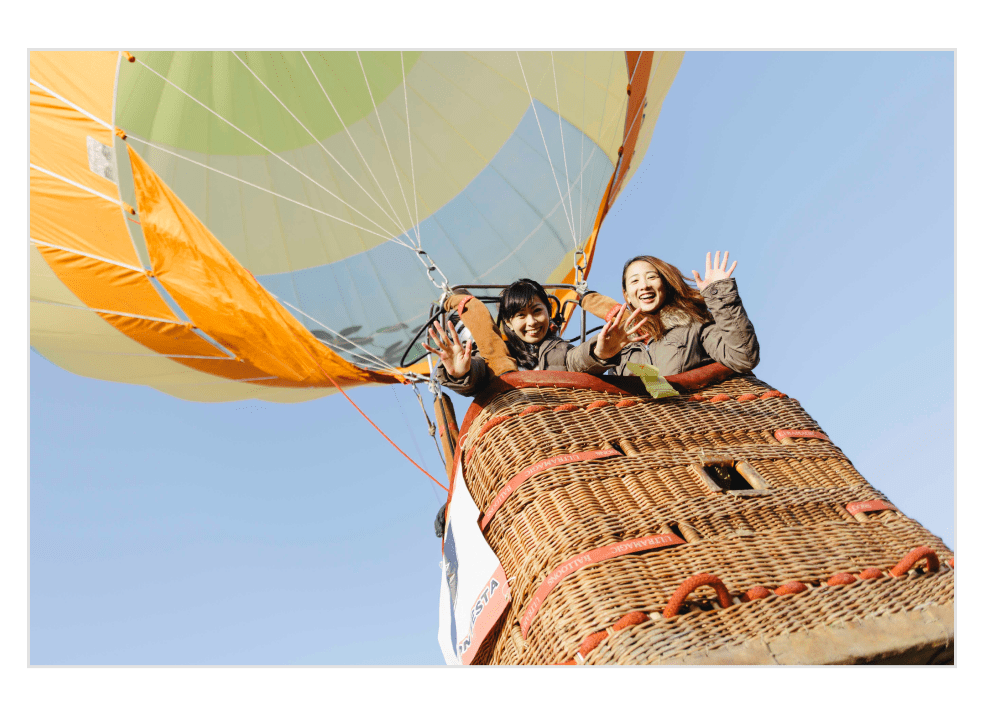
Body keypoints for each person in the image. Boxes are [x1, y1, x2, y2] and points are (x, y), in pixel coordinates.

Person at [423, 278, 646, 397]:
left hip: (566, 424)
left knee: (634, 361)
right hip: (521, 431)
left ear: (548, 312)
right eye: (521, 315)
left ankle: (666, 395)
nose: (531, 322)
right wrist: (462, 372)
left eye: (537, 311)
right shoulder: (496, 356)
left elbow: (575, 360)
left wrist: (598, 352)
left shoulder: (559, 349)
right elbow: (480, 373)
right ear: (508, 323)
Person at [580, 251, 759, 377]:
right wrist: (599, 354)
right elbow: (572, 367)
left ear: (665, 285)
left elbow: (743, 358)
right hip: (646, 427)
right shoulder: (617, 339)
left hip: (698, 423)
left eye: (651, 277)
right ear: (627, 295)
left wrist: (721, 295)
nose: (644, 285)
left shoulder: (693, 325)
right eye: (634, 281)